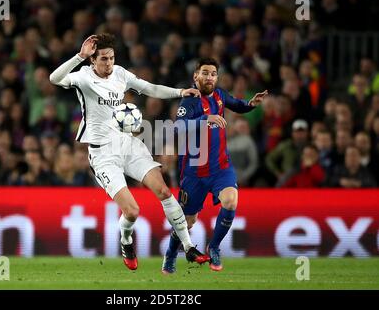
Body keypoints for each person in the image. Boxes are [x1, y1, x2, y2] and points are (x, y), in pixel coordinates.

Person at [49, 33, 209, 270]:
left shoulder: (121, 74)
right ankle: (126, 240)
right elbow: (54, 78)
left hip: (128, 143)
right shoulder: (83, 77)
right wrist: (78, 57)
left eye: (111, 58)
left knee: (164, 191)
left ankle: (188, 247)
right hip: (103, 154)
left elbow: (149, 87)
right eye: (103, 59)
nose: (108, 64)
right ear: (92, 60)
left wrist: (179, 92)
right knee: (132, 211)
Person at [162, 58, 267, 273]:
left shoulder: (219, 95)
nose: (209, 77)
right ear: (196, 76)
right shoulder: (189, 101)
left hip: (221, 167)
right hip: (194, 172)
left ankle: (215, 247)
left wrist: (250, 104)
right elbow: (177, 129)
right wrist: (205, 119)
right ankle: (171, 254)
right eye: (205, 73)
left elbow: (236, 103)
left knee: (230, 200)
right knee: (187, 222)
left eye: (213, 74)